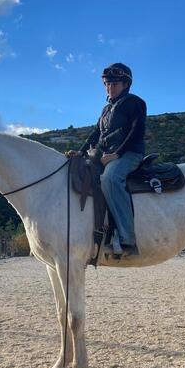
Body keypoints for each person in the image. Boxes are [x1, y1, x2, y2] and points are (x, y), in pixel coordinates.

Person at [67, 63, 146, 256]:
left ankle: (127, 239)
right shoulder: (106, 109)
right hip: (105, 155)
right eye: (107, 84)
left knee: (110, 179)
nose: (110, 87)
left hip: (129, 154)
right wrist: (81, 152)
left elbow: (136, 131)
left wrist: (117, 153)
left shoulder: (135, 103)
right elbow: (96, 134)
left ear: (125, 84)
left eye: (115, 83)